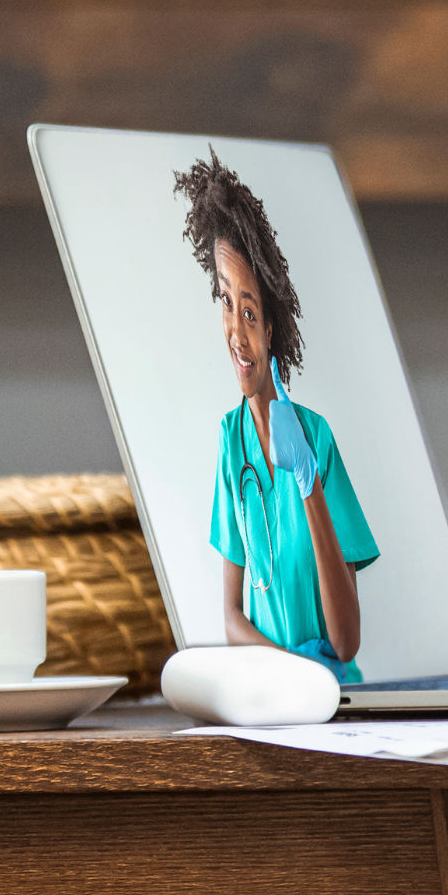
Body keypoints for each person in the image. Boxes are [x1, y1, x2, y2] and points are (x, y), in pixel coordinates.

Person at [176, 153, 375, 681]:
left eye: (249, 313)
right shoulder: (231, 442)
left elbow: (347, 641)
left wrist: (309, 484)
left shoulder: (316, 438)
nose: (236, 334)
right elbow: (231, 617)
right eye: (226, 303)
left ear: (270, 330)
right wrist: (291, 673)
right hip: (276, 694)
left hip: (337, 698)